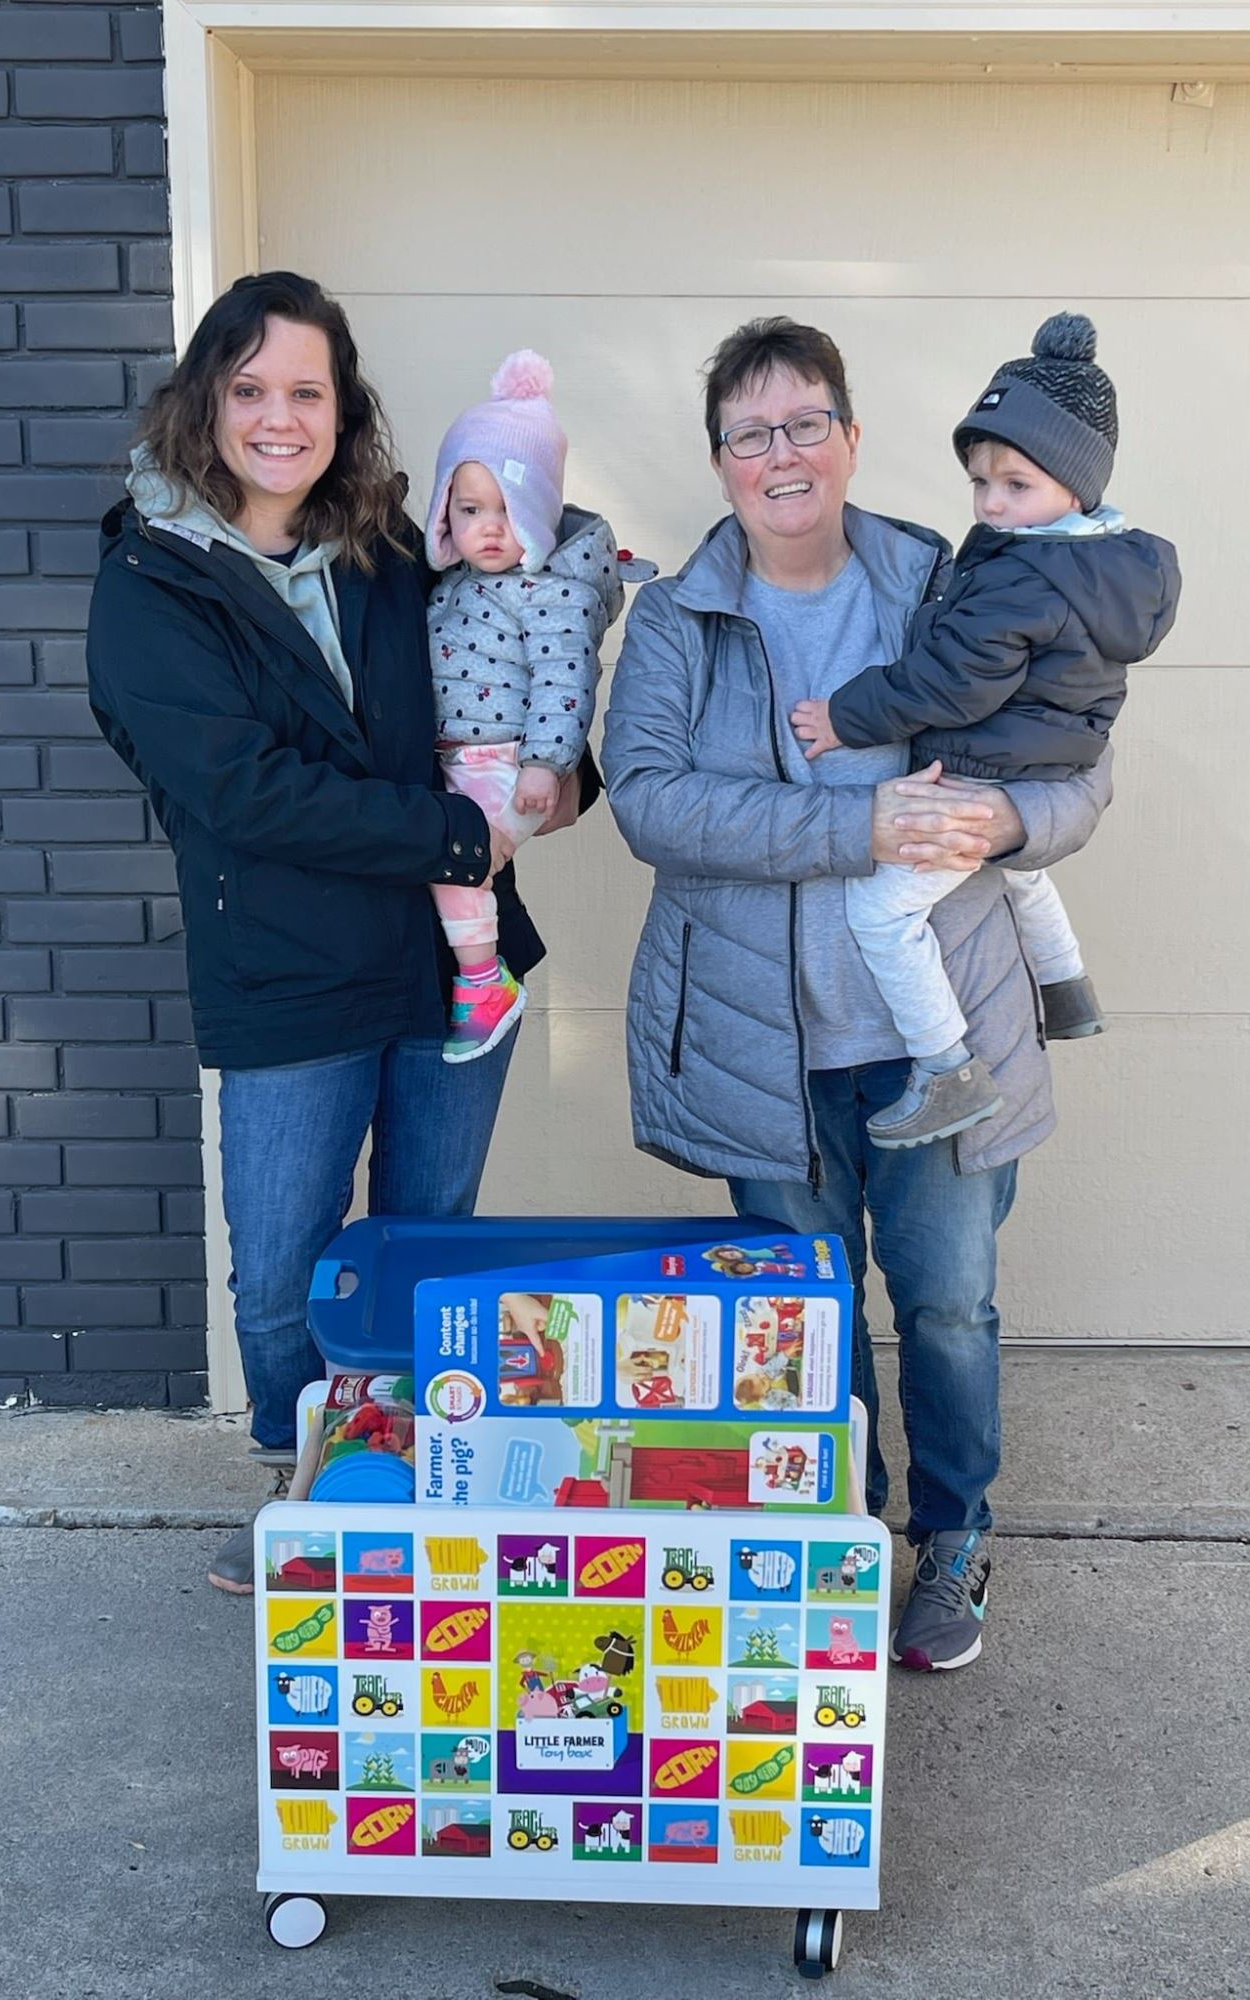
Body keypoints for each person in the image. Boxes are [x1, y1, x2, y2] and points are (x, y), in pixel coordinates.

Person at [602, 315, 1114, 1672]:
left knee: (946, 1307)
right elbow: (652, 803)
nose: (783, 452)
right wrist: (862, 828)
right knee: (804, 1317)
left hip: (933, 1038)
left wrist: (1004, 825)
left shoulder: (945, 578)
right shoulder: (677, 619)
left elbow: (1080, 763)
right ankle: (840, 1539)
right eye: (752, 432)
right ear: (720, 462)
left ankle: (952, 1540)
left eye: (806, 421)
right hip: (759, 1048)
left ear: (851, 435)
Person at [86, 272, 595, 1593]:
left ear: (341, 407)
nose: (277, 416)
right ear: (204, 399)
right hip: (287, 976)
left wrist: (562, 773)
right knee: (286, 1275)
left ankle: (406, 1490)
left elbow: (500, 655)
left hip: (450, 967)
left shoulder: (383, 553)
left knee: (426, 1251)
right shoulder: (152, 582)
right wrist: (446, 834)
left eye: (305, 390)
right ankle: (300, 1483)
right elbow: (242, 791)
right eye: (249, 388)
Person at [791, 314, 1180, 1149]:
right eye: (980, 482)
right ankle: (1066, 986)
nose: (993, 504)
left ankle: (946, 1069)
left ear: (1075, 485)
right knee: (1024, 873)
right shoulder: (1111, 566)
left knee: (881, 914)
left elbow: (952, 682)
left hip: (982, 767)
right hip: (1046, 762)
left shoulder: (1025, 576)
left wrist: (843, 716)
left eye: (1016, 485)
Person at [423, 350, 627, 1061]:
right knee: (454, 861)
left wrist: (546, 764)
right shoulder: (451, 584)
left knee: (457, 861)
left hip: (505, 758)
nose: (487, 527)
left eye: (507, 511)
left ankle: (484, 982)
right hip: (460, 756)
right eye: (469, 508)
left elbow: (565, 680)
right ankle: (478, 973)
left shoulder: (551, 593)